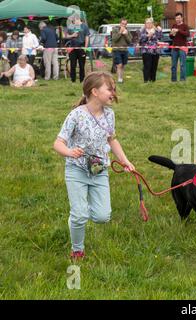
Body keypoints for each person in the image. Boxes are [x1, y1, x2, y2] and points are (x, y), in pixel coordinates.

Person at [53, 71, 135, 260]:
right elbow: (58, 143)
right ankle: (77, 248)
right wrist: (69, 152)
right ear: (95, 92)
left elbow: (112, 139)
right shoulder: (76, 115)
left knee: (102, 216)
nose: (113, 93)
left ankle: (78, 213)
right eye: (110, 89)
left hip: (99, 171)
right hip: (76, 170)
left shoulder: (109, 114)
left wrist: (126, 161)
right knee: (80, 215)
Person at [66, 14, 90, 83]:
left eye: (75, 20)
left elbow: (87, 36)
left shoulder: (84, 26)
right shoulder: (71, 26)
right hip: (72, 48)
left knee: (82, 65)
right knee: (72, 65)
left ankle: (82, 80)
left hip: (81, 47)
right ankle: (73, 80)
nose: (74, 22)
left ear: (78, 19)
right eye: (73, 21)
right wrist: (72, 35)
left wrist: (85, 47)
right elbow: (66, 36)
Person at [139, 18, 162, 83]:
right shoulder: (142, 30)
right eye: (147, 23)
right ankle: (146, 80)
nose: (149, 24)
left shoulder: (155, 30)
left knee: (154, 66)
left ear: (152, 24)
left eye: (150, 23)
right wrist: (147, 36)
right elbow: (140, 39)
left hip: (155, 51)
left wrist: (160, 30)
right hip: (146, 50)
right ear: (145, 24)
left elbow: (160, 37)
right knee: (147, 66)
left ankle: (153, 80)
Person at [170, 12, 189, 82]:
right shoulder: (174, 25)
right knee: (173, 66)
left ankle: (182, 80)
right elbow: (171, 37)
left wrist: (178, 30)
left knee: (182, 65)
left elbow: (187, 34)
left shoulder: (185, 26)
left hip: (182, 48)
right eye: (176, 18)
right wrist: (172, 33)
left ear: (182, 18)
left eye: (179, 18)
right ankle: (173, 80)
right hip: (174, 48)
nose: (177, 19)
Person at [112, 18, 132, 84]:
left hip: (125, 50)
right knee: (119, 65)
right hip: (117, 49)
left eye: (125, 24)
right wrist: (120, 32)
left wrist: (126, 34)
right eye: (122, 24)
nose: (123, 25)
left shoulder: (127, 31)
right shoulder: (115, 30)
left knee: (123, 65)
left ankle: (121, 77)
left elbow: (129, 41)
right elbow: (114, 39)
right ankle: (119, 79)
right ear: (120, 23)